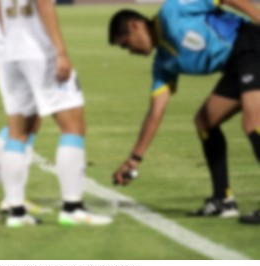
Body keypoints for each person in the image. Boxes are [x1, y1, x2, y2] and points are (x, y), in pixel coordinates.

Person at [108, 0, 260, 223]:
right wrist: (134, 160)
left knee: (253, 121)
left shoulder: (173, 11)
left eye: (126, 44)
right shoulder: (163, 64)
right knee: (205, 122)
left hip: (250, 44)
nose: (129, 51)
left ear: (135, 26)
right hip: (235, 65)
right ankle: (222, 200)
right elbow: (155, 113)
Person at [0, 0, 112, 227]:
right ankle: (72, 208)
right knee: (73, 126)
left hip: (8, 51)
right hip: (38, 50)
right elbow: (44, 3)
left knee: (18, 133)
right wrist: (61, 52)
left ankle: (17, 213)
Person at [0, 0, 51, 221]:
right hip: (12, 51)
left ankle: (14, 197)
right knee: (19, 124)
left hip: (32, 48)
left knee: (33, 121)